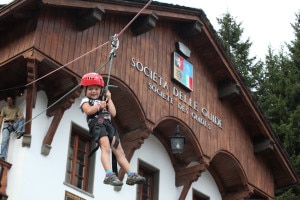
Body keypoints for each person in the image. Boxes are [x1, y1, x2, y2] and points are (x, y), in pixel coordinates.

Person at [80, 72, 146, 186]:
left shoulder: (104, 100)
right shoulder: (86, 101)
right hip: (97, 124)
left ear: (101, 90)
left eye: (96, 88)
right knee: (105, 146)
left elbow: (113, 113)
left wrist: (109, 99)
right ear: (85, 90)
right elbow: (88, 111)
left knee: (119, 150)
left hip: (109, 126)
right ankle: (109, 174)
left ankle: (130, 174)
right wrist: (99, 106)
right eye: (90, 89)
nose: (94, 91)